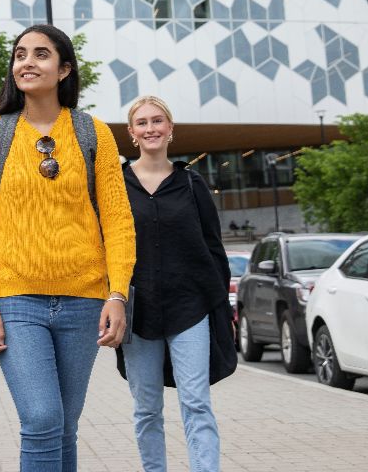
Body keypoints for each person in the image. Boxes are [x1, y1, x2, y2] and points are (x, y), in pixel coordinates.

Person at [0, 24, 136, 471]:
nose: (27, 62)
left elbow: (117, 220)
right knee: (41, 418)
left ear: (64, 70)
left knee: (64, 426)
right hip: (16, 301)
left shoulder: (92, 133)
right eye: (20, 54)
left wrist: (117, 294)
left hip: (84, 300)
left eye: (41, 54)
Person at [121, 95, 231, 472]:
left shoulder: (192, 183)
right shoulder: (116, 186)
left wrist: (221, 307)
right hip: (137, 313)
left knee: (196, 402)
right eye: (142, 123)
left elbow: (214, 250)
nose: (150, 128)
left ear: (170, 129)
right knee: (146, 408)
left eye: (158, 121)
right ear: (132, 133)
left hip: (190, 309)